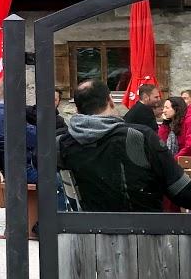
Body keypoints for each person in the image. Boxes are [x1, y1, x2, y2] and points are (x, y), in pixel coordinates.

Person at [58, 78, 191, 211]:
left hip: (88, 222)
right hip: (144, 222)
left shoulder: (65, 143)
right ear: (110, 100)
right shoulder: (140, 137)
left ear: (77, 109)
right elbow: (181, 190)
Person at [158, 95, 191, 160]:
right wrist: (165, 123)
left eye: (167, 108)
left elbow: (189, 146)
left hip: (185, 159)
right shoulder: (170, 122)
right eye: (164, 108)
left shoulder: (188, 121)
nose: (164, 111)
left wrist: (173, 160)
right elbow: (161, 142)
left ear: (176, 109)